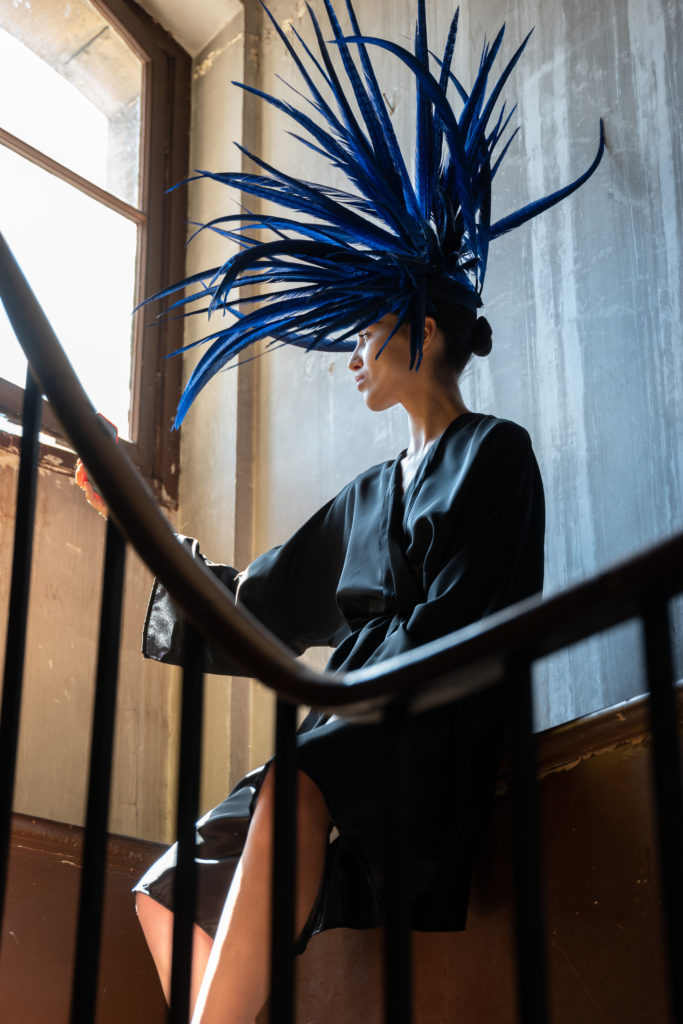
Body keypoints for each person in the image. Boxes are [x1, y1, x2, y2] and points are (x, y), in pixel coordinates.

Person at [83, 3, 604, 1021]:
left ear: (419, 329)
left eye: (363, 332)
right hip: (341, 732)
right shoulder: (367, 494)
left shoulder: (495, 455)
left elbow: (473, 623)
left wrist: (359, 692)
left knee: (293, 781)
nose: (350, 356)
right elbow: (262, 603)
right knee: (164, 888)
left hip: (431, 724)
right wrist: (133, 513)